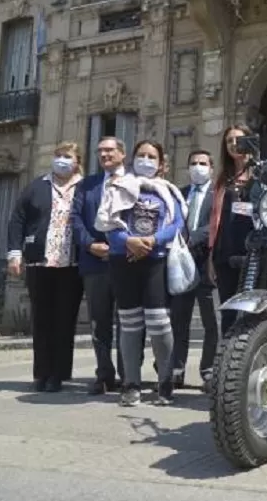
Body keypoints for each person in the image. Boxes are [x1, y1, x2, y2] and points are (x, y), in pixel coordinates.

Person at [96, 139, 184, 407]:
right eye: (141, 155)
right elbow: (108, 223)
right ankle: (131, 385)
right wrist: (129, 241)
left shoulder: (168, 191)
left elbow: (177, 222)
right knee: (130, 325)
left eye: (152, 156)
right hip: (124, 261)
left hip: (155, 260)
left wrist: (153, 241)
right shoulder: (117, 186)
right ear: (133, 159)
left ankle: (165, 383)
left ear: (161, 163)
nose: (146, 160)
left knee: (160, 324)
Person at [7, 142, 85, 392]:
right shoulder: (37, 186)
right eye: (59, 155)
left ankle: (59, 374)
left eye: (68, 156)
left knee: (64, 319)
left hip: (71, 263)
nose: (62, 160)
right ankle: (41, 373)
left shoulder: (85, 187)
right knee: (41, 318)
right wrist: (15, 253)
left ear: (77, 161)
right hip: (40, 260)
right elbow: (17, 219)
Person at [71, 136, 143, 395]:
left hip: (127, 260)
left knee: (128, 321)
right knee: (99, 322)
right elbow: (76, 219)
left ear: (122, 154)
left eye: (110, 150)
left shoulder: (135, 182)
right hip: (95, 262)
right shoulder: (86, 185)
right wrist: (90, 245)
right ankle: (104, 374)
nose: (104, 155)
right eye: (100, 151)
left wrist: (123, 245)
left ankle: (129, 377)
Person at [168, 149, 219, 389]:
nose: (197, 167)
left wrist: (193, 238)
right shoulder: (179, 193)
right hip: (182, 264)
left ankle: (208, 369)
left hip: (208, 263)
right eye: (193, 163)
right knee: (179, 319)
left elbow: (216, 225)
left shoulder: (219, 194)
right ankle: (176, 367)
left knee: (212, 321)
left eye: (202, 163)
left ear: (211, 168)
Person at [209, 124, 258, 334]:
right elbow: (215, 219)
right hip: (224, 253)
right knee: (228, 313)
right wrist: (211, 255)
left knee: (252, 311)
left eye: (239, 139)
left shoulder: (261, 173)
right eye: (229, 141)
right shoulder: (223, 179)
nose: (233, 144)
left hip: (252, 253)